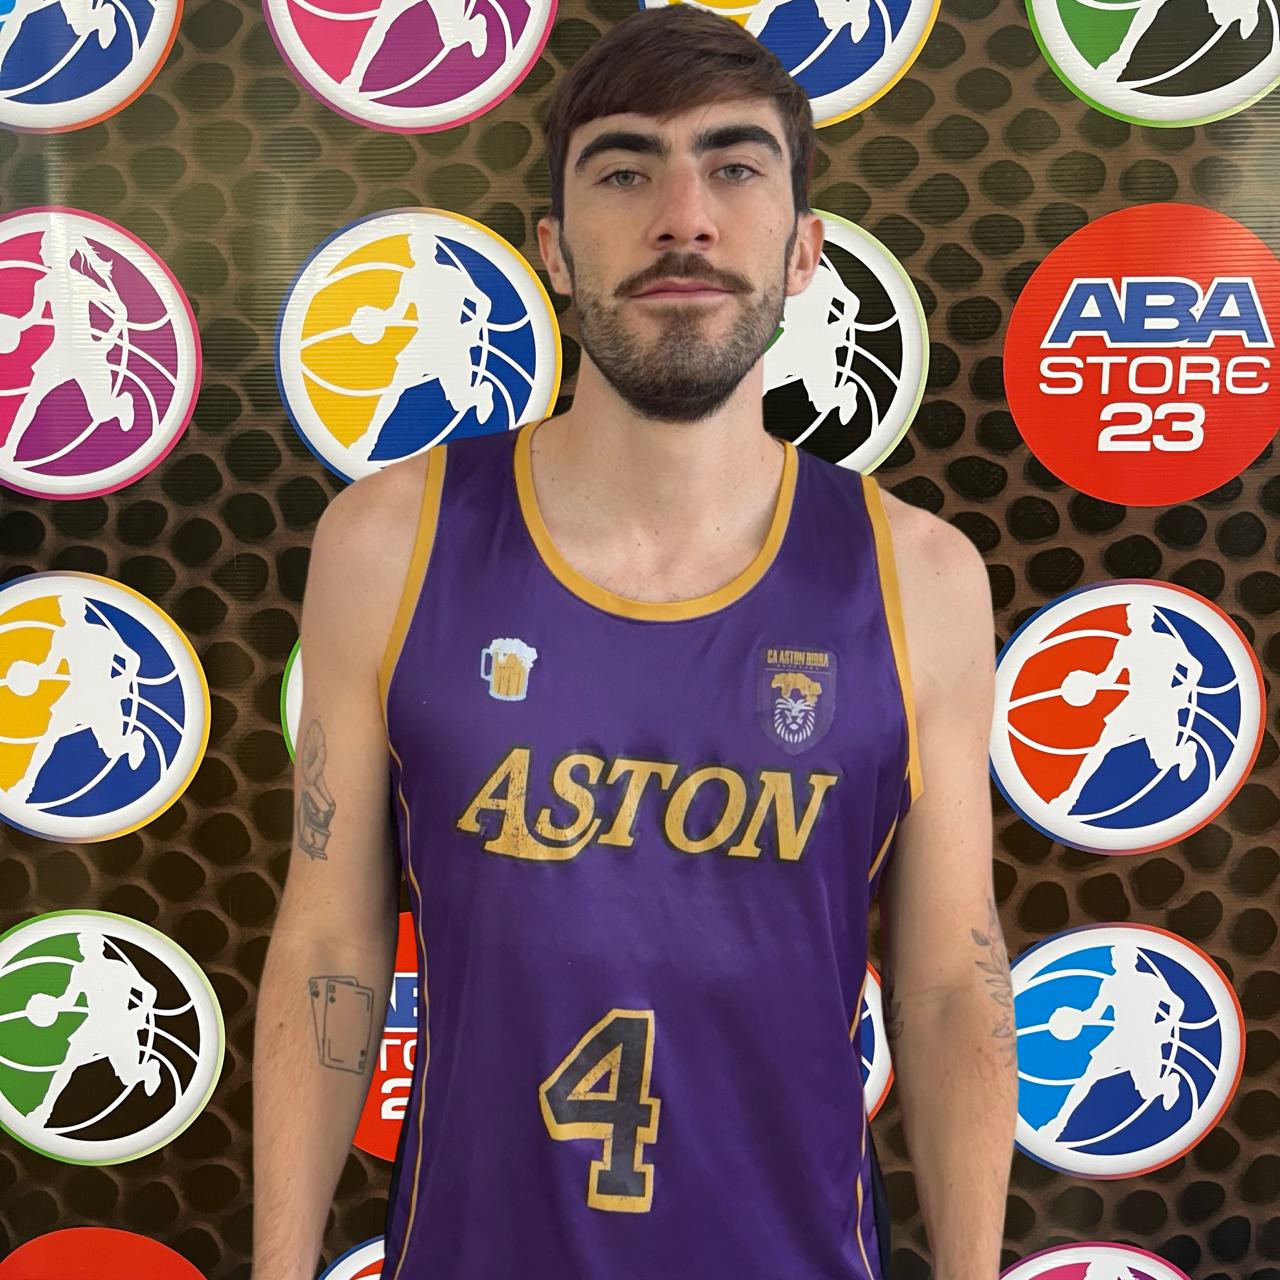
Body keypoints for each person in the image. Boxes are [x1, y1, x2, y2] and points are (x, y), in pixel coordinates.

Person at [250, 7, 1016, 1278]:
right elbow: (329, 946)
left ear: (804, 248)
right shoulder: (388, 541)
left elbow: (946, 983)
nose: (682, 217)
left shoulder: (918, 577)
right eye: (623, 170)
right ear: (552, 250)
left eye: (733, 167)